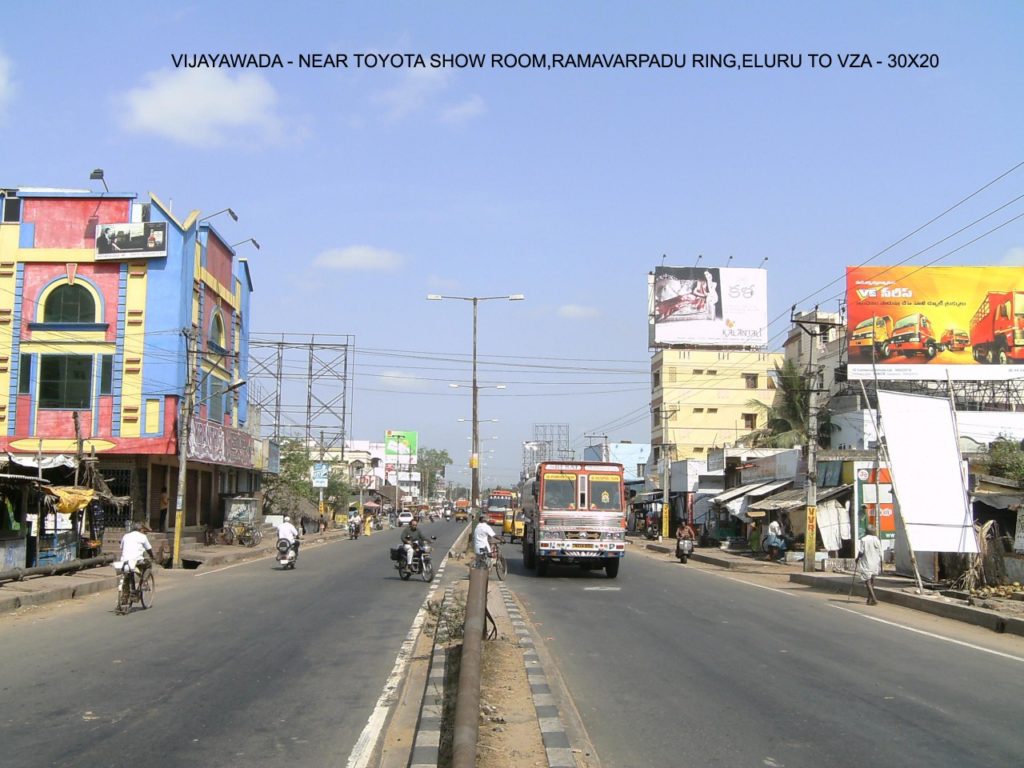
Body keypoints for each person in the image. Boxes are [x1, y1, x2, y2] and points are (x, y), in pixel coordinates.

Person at [119, 522, 154, 591]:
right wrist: (152, 556)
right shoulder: (143, 536)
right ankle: (144, 583)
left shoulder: (126, 536)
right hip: (137, 561)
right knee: (149, 565)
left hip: (124, 562)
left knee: (127, 573)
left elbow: (122, 547)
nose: (144, 531)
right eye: (143, 530)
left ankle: (125, 596)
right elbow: (149, 549)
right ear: (141, 529)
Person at [856, 524, 884, 605]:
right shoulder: (876, 539)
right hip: (875, 562)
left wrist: (857, 558)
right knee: (872, 581)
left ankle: (874, 599)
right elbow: (880, 552)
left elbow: (861, 552)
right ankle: (869, 600)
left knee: (867, 581)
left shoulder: (864, 539)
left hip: (867, 562)